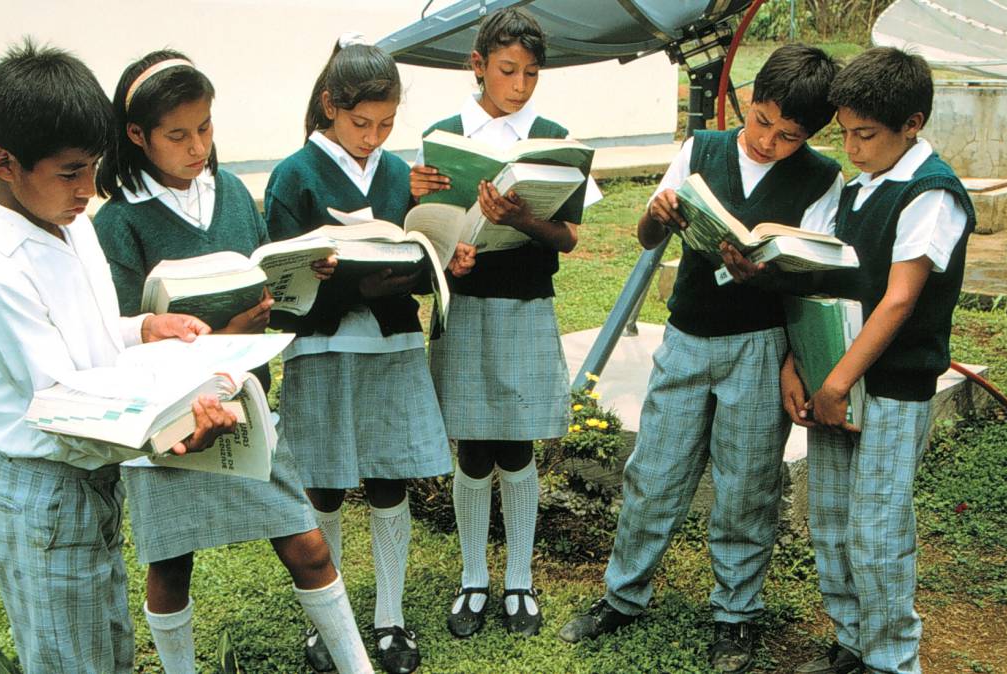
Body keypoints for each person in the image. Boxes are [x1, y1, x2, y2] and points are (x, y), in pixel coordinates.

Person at [0, 39, 238, 674]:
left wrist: (142, 329)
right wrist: (176, 427)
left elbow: (84, 336)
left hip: (92, 479)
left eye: (94, 167)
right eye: (71, 171)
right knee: (71, 661)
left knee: (107, 652)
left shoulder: (67, 222)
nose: (88, 189)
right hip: (47, 485)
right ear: (5, 162)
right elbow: (69, 408)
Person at [558, 44, 843, 674]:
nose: (768, 140)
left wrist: (765, 281)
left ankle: (735, 616)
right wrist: (655, 216)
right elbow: (650, 237)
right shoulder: (703, 150)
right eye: (762, 120)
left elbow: (811, 280)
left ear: (812, 134)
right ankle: (622, 596)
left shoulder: (823, 179)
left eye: (789, 135)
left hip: (759, 346)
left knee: (747, 486)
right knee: (653, 473)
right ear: (751, 102)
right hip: (686, 338)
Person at [92, 50, 372, 674]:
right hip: (170, 422)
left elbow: (266, 286)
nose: (198, 146)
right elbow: (119, 338)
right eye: (178, 134)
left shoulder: (234, 197)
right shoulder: (118, 221)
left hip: (243, 399)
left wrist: (305, 276)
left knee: (307, 544)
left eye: (206, 127)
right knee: (171, 562)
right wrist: (225, 331)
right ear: (136, 136)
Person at [263, 38, 453, 674]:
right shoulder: (294, 175)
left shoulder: (400, 174)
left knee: (387, 474)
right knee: (323, 481)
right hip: (322, 349)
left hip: (392, 345)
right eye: (360, 123)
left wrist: (440, 257)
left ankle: (391, 617)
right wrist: (343, 281)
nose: (373, 137)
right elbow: (284, 285)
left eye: (387, 125)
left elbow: (417, 253)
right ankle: (330, 621)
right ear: (329, 108)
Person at [410, 6, 600, 641]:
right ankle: (473, 577)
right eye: (507, 70)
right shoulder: (443, 135)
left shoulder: (551, 137)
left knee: (516, 442)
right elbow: (423, 230)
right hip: (462, 303)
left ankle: (518, 577)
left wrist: (521, 220)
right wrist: (421, 201)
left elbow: (568, 238)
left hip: (523, 302)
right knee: (471, 443)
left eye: (531, 73)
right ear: (478, 66)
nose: (519, 86)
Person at [791, 47, 974, 674]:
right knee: (832, 520)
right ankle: (852, 641)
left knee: (877, 531)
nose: (852, 148)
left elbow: (898, 302)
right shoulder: (858, 189)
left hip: (889, 386)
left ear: (912, 124)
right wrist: (803, 369)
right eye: (844, 133)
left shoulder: (931, 194)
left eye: (865, 135)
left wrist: (838, 382)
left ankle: (892, 659)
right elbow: (815, 273)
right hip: (833, 380)